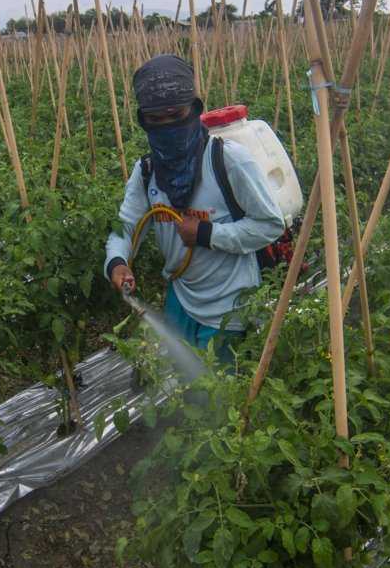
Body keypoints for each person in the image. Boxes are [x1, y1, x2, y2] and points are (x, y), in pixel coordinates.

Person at [104, 54, 285, 361]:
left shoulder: (228, 161)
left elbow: (270, 225)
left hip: (231, 305)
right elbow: (125, 226)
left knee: (223, 396)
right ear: (143, 120)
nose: (167, 127)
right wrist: (117, 262)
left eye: (175, 115)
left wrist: (206, 233)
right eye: (156, 120)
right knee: (185, 391)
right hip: (182, 297)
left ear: (195, 110)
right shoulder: (147, 171)